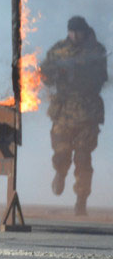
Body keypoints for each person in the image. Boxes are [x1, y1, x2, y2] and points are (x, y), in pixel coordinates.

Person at [40, 16, 107, 216]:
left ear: (86, 32)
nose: (75, 35)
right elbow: (44, 73)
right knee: (61, 152)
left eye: (79, 31)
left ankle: (81, 200)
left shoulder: (96, 51)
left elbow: (100, 78)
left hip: (88, 113)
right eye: (72, 31)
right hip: (63, 111)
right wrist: (58, 73)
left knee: (83, 158)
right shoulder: (58, 49)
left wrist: (81, 72)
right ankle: (60, 173)